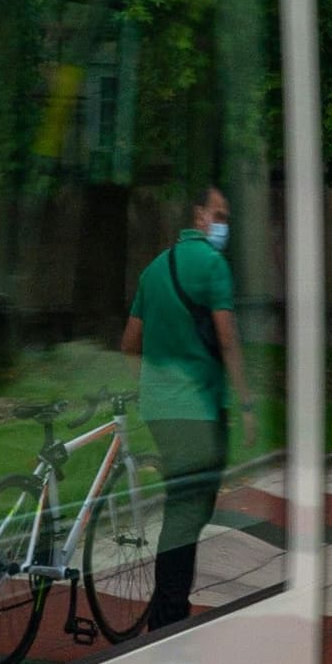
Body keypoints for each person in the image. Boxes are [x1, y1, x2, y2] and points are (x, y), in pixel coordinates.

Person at [118, 184, 244, 634]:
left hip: (159, 409)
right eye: (220, 214)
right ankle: (168, 615)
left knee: (185, 503)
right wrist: (244, 401)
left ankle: (168, 604)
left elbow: (130, 343)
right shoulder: (214, 266)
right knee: (189, 508)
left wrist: (155, 375)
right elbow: (227, 338)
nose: (224, 224)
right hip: (201, 411)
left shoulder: (154, 270)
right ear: (199, 217)